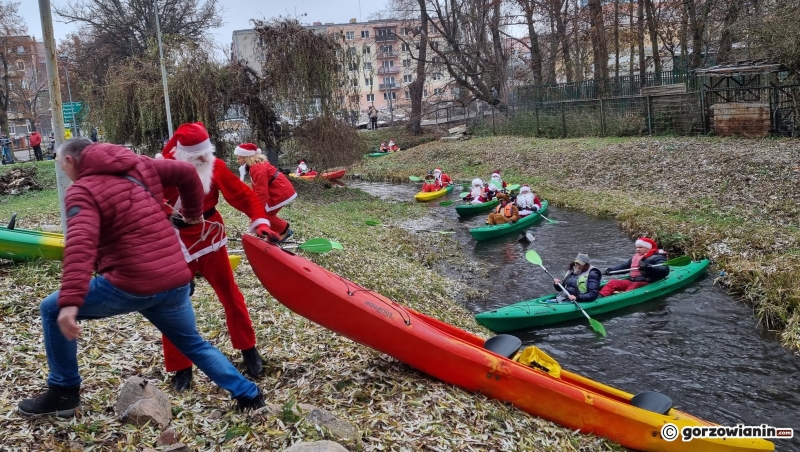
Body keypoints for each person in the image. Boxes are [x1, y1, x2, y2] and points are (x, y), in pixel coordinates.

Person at [16, 138, 266, 418]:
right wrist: (194, 214)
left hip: (132, 282)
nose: (63, 171)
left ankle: (63, 393)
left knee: (52, 308)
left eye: (61, 164)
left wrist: (71, 302)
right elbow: (186, 173)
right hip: (173, 278)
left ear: (71, 161)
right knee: (193, 343)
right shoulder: (138, 165)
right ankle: (249, 394)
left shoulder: (82, 191)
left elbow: (80, 244)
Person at [157, 122, 279, 392]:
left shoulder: (216, 166)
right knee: (173, 305)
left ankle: (248, 350)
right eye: (195, 154)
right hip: (176, 241)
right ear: (181, 154)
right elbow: (148, 198)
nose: (202, 158)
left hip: (211, 237)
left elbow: (244, 196)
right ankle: (181, 367)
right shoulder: (164, 169)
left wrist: (261, 223)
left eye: (205, 152)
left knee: (231, 295)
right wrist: (168, 215)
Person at [235, 142, 297, 241]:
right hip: (279, 190)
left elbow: (262, 192)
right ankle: (266, 232)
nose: (237, 161)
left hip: (281, 191)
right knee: (265, 213)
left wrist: (257, 210)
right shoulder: (254, 167)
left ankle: (284, 231)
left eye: (239, 158)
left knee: (264, 214)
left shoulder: (257, 168)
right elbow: (256, 187)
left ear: (246, 157)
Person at [599, 237, 669, 297]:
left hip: (648, 281)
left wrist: (649, 267)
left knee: (636, 284)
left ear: (648, 248)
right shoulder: (636, 256)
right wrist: (610, 270)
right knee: (613, 282)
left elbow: (664, 270)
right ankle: (601, 296)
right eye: (637, 247)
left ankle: (623, 297)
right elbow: (625, 267)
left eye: (640, 247)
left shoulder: (658, 257)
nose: (637, 249)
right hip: (633, 280)